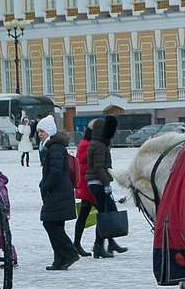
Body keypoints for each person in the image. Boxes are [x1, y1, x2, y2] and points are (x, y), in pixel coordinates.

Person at [37, 115, 78, 271]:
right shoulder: (53, 147)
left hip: (57, 192)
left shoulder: (54, 148)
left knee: (50, 224)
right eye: (38, 131)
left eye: (41, 131)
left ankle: (70, 253)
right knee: (56, 225)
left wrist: (45, 186)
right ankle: (59, 261)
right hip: (60, 192)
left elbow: (55, 172)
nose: (39, 134)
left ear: (49, 131)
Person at [85, 115, 127, 258]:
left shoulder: (97, 144)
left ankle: (109, 243)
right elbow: (98, 167)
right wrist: (106, 183)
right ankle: (98, 247)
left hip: (97, 182)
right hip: (98, 183)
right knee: (104, 215)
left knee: (107, 213)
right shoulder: (99, 145)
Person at [71, 123, 95, 257]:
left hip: (88, 184)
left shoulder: (85, 143)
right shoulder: (86, 145)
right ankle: (102, 243)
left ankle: (77, 243)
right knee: (102, 213)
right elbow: (82, 165)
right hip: (88, 185)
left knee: (84, 216)